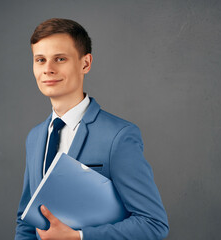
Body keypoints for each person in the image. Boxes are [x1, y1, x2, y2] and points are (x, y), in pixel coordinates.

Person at [15, 18, 169, 240]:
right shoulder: (35, 137)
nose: (48, 69)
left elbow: (154, 224)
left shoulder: (119, 136)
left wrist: (79, 237)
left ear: (85, 64)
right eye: (40, 60)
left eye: (60, 59)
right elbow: (26, 221)